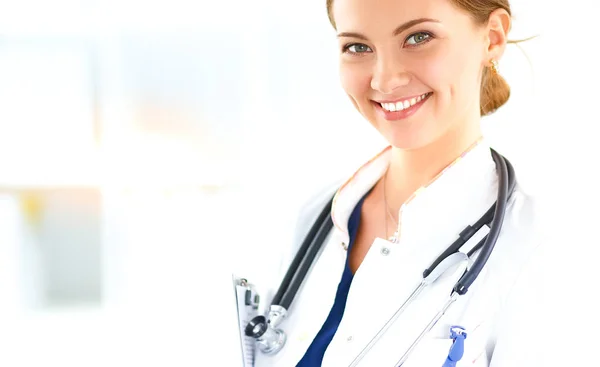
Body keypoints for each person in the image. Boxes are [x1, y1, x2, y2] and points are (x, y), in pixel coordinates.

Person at [253, 0, 544, 365]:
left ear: (492, 37)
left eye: (418, 37)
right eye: (357, 47)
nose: (384, 79)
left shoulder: (539, 251)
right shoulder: (309, 219)